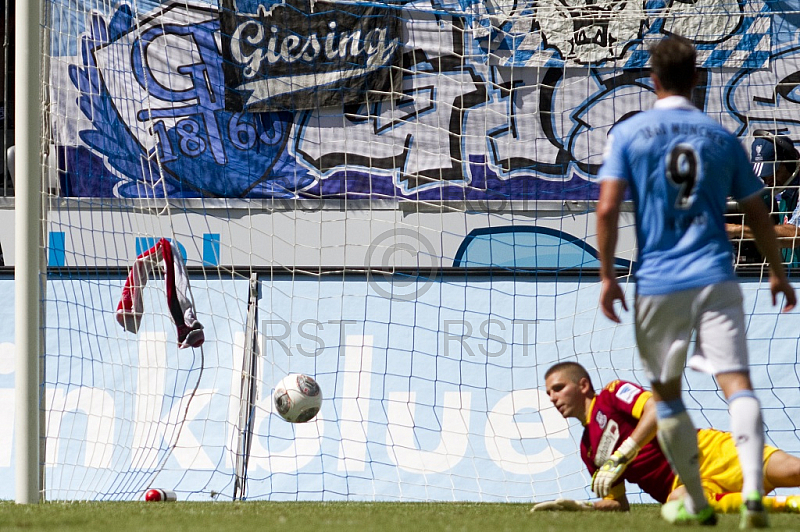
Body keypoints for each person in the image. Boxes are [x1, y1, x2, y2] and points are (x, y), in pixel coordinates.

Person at [594, 35, 796, 527]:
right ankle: (751, 492)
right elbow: (757, 211)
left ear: (652, 79)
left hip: (658, 280)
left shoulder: (630, 133)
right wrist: (776, 270)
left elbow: (606, 208)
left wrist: (607, 277)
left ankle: (701, 502)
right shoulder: (721, 137)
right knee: (738, 384)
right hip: (715, 276)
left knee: (665, 394)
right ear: (698, 78)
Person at [532, 362, 800, 516]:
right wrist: (584, 507)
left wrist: (624, 453)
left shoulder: (612, 394)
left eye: (558, 388)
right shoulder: (588, 450)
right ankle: (789, 505)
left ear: (582, 385)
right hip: (678, 488)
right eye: (549, 394)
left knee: (793, 470)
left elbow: (658, 409)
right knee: (677, 504)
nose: (553, 398)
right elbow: (619, 504)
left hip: (706, 453)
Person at [727, 131, 800, 266]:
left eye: (773, 172)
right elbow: (779, 241)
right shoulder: (785, 196)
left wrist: (737, 230)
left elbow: (795, 235)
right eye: (764, 175)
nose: (768, 180)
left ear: (789, 163)